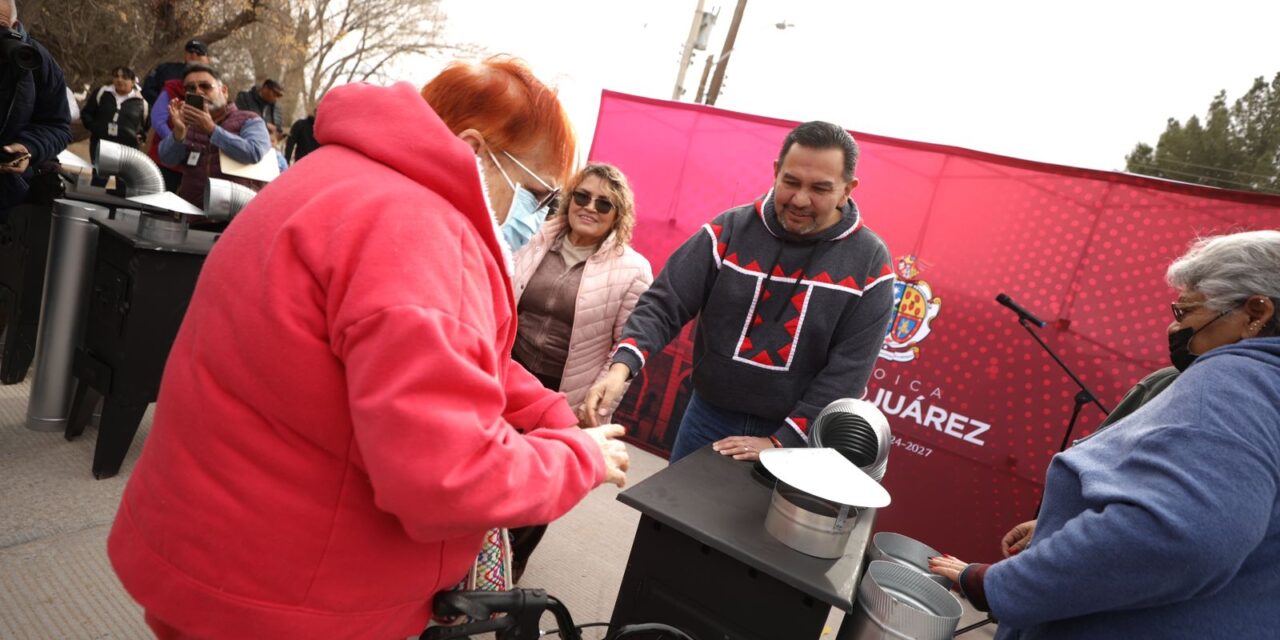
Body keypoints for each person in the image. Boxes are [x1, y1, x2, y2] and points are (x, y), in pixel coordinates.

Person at [108, 55, 629, 639]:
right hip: (288, 592)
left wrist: (546, 412)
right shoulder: (419, 229)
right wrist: (578, 460)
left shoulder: (340, 176)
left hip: (219, 546)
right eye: (534, 192)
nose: (534, 214)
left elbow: (445, 349)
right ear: (476, 150)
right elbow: (446, 478)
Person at [929, 230, 1280, 639]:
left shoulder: (1233, 383)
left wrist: (997, 584)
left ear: (1256, 312)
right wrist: (1070, 524)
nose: (1173, 328)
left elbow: (1183, 537)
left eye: (1186, 312)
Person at [584, 121, 895, 463]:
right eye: (790, 182)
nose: (800, 199)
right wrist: (620, 369)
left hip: (794, 442)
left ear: (848, 189)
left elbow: (847, 373)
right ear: (776, 171)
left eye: (820, 188)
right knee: (670, 513)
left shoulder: (871, 263)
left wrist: (781, 442)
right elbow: (664, 303)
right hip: (706, 417)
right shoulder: (728, 230)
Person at [507, 162, 653, 579]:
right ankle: (474, 564)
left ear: (618, 214)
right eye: (583, 196)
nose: (589, 207)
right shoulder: (537, 240)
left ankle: (512, 568)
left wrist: (599, 408)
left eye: (604, 203)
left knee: (540, 488)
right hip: (507, 385)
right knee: (495, 474)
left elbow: (625, 348)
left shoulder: (633, 270)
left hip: (563, 397)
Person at [158, 63, 270, 206]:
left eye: (205, 86)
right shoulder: (188, 124)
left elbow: (254, 152)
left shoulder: (249, 119)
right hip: (194, 215)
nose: (198, 92)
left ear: (224, 91)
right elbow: (167, 159)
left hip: (236, 215)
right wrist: (178, 134)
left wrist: (212, 130)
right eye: (191, 88)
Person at [0, 0, 71, 218]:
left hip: (6, 198)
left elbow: (58, 126)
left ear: (15, 25)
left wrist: (28, 147)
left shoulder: (38, 63)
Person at [80, 66, 148, 151]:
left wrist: (141, 137)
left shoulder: (142, 102)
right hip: (99, 146)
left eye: (124, 77)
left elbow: (148, 126)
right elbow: (86, 113)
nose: (119, 80)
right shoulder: (102, 93)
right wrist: (95, 128)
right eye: (116, 76)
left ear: (133, 82)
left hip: (127, 151)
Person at [140, 39, 209, 105]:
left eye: (199, 53)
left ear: (208, 58)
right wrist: (165, 104)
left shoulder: (212, 78)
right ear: (185, 53)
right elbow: (147, 90)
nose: (193, 55)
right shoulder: (165, 68)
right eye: (190, 51)